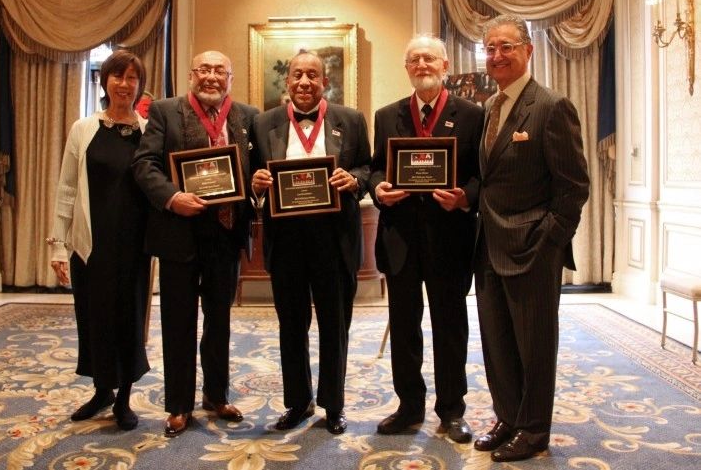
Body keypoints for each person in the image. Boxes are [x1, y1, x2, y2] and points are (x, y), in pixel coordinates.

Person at [474, 14, 589, 462]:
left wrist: (549, 243)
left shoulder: (550, 106)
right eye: (490, 48)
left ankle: (534, 428)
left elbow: (574, 187)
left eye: (506, 46)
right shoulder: (488, 109)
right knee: (497, 343)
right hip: (487, 248)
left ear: (528, 50)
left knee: (535, 345)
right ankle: (507, 416)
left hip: (532, 252)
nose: (497, 55)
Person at [132, 50, 258, 437]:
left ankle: (216, 396)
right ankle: (179, 405)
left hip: (225, 235)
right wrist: (173, 197)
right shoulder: (165, 111)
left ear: (230, 78)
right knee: (179, 322)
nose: (211, 77)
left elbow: (257, 170)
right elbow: (144, 164)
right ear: (192, 74)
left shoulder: (248, 116)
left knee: (219, 323)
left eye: (220, 70)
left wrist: (257, 187)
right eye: (204, 69)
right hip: (178, 236)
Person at [368, 35, 483, 442]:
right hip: (400, 238)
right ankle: (409, 406)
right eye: (414, 59)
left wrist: (465, 198)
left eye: (429, 58)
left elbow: (480, 176)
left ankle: (452, 410)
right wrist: (379, 189)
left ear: (446, 64)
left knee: (450, 327)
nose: (422, 65)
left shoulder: (472, 114)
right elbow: (375, 169)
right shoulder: (387, 115)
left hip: (450, 238)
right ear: (407, 68)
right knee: (404, 325)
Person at [250, 51, 371, 435]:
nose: (304, 81)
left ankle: (333, 405)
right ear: (288, 81)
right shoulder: (263, 122)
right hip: (285, 241)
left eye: (312, 75)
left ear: (325, 82)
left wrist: (354, 180)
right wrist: (256, 187)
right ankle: (298, 402)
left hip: (335, 239)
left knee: (335, 325)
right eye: (298, 74)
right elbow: (251, 173)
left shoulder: (350, 119)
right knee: (291, 325)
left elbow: (367, 166)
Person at [48, 49, 151, 431]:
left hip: (135, 245)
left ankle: (124, 396)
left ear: (140, 85)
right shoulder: (84, 128)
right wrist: (59, 245)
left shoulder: (147, 131)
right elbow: (67, 189)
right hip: (91, 244)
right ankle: (101, 389)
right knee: (94, 318)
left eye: (131, 78)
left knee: (128, 318)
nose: (124, 85)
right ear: (104, 81)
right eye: (117, 77)